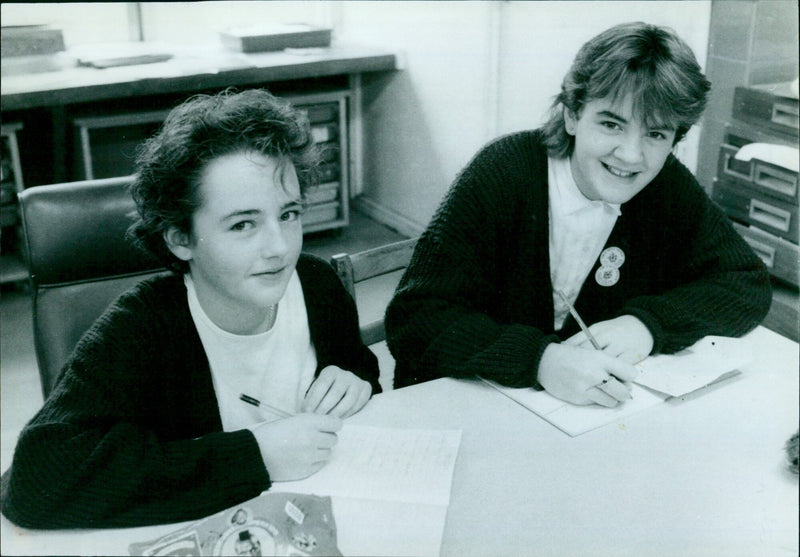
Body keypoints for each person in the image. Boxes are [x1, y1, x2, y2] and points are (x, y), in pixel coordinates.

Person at [0, 89, 380, 528]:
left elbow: (361, 374)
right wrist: (255, 456)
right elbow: (33, 483)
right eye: (243, 224)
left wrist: (356, 382)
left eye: (289, 214)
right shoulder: (142, 326)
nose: (280, 248)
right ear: (180, 238)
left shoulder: (317, 284)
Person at [385, 22, 771, 407]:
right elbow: (415, 319)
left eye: (656, 134)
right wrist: (539, 360)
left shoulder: (665, 183)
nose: (631, 155)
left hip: (577, 419)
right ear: (572, 115)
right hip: (468, 402)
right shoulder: (503, 172)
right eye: (610, 124)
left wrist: (647, 326)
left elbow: (746, 282)